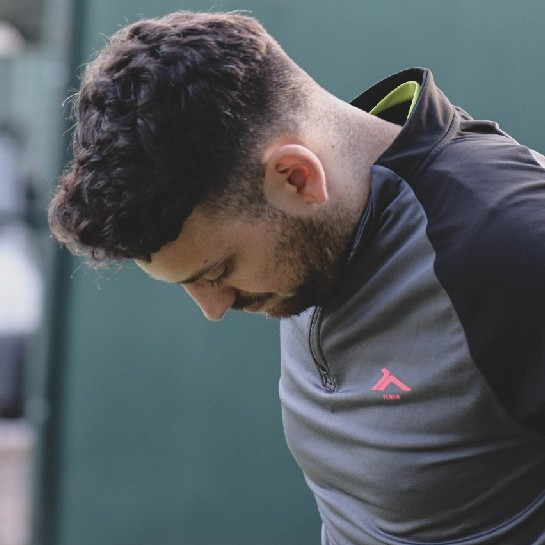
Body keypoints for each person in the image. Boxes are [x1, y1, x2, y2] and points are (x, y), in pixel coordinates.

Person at [48, 11, 545, 545]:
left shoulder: (512, 244)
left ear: (296, 178)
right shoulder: (323, 228)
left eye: (219, 271)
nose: (214, 307)